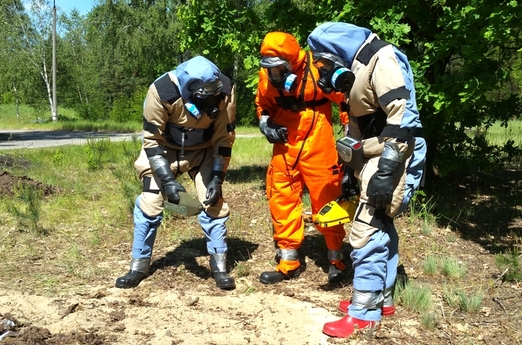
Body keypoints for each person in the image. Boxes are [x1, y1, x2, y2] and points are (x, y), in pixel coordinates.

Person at [307, 22, 427, 338]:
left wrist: (387, 170)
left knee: (366, 227)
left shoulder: (382, 59)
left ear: (336, 52)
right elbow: (358, 129)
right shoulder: (358, 68)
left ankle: (364, 313)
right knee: (381, 224)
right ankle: (382, 298)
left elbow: (403, 118)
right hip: (376, 152)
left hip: (394, 150)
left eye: (323, 62)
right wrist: (352, 172)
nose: (322, 70)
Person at [115, 56, 237, 291]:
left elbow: (224, 139)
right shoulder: (162, 91)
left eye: (214, 94)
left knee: (214, 202)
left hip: (204, 151)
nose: (212, 101)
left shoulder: (226, 90)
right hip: (164, 151)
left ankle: (219, 266)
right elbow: (152, 141)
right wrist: (168, 182)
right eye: (205, 96)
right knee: (150, 200)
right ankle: (138, 265)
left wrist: (216, 178)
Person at [255, 31, 351, 285]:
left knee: (327, 200)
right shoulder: (266, 75)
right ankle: (288, 262)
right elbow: (263, 105)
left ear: (293, 61)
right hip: (285, 145)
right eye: (270, 69)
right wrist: (266, 124)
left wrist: (351, 134)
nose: (275, 74)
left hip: (318, 143)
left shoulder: (318, 68)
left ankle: (336, 260)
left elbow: (345, 100)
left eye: (280, 69)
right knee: (281, 199)